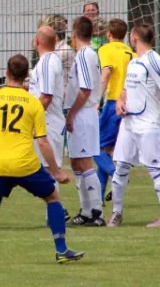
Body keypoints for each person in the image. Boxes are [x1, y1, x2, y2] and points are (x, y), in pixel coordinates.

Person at [0, 54, 84, 265]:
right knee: (52, 197)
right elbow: (42, 142)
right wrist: (56, 171)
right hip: (25, 165)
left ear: (6, 73)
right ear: (27, 76)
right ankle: (61, 250)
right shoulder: (32, 102)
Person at [109, 23, 160, 227]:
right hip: (129, 123)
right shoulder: (134, 62)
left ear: (134, 39)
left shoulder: (153, 59)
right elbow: (125, 88)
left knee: (155, 169)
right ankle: (116, 213)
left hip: (148, 123)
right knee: (121, 167)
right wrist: (120, 102)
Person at [65, 17, 105, 227]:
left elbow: (85, 89)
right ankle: (86, 210)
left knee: (85, 162)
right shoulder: (88, 54)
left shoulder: (83, 55)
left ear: (74, 34)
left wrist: (71, 113)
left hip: (83, 113)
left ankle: (96, 212)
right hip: (84, 112)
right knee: (76, 162)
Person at [29, 26, 70, 223]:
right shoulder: (49, 61)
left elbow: (45, 97)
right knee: (47, 169)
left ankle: (56, 213)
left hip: (47, 122)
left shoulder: (46, 63)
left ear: (37, 41)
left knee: (50, 170)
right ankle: (55, 212)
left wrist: (28, 118)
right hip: (48, 121)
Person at [94, 19, 135, 203]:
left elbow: (107, 72)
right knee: (106, 150)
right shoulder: (131, 52)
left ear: (109, 34)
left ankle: (117, 176)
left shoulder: (105, 49)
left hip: (113, 104)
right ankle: (98, 199)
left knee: (95, 148)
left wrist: (97, 99)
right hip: (129, 104)